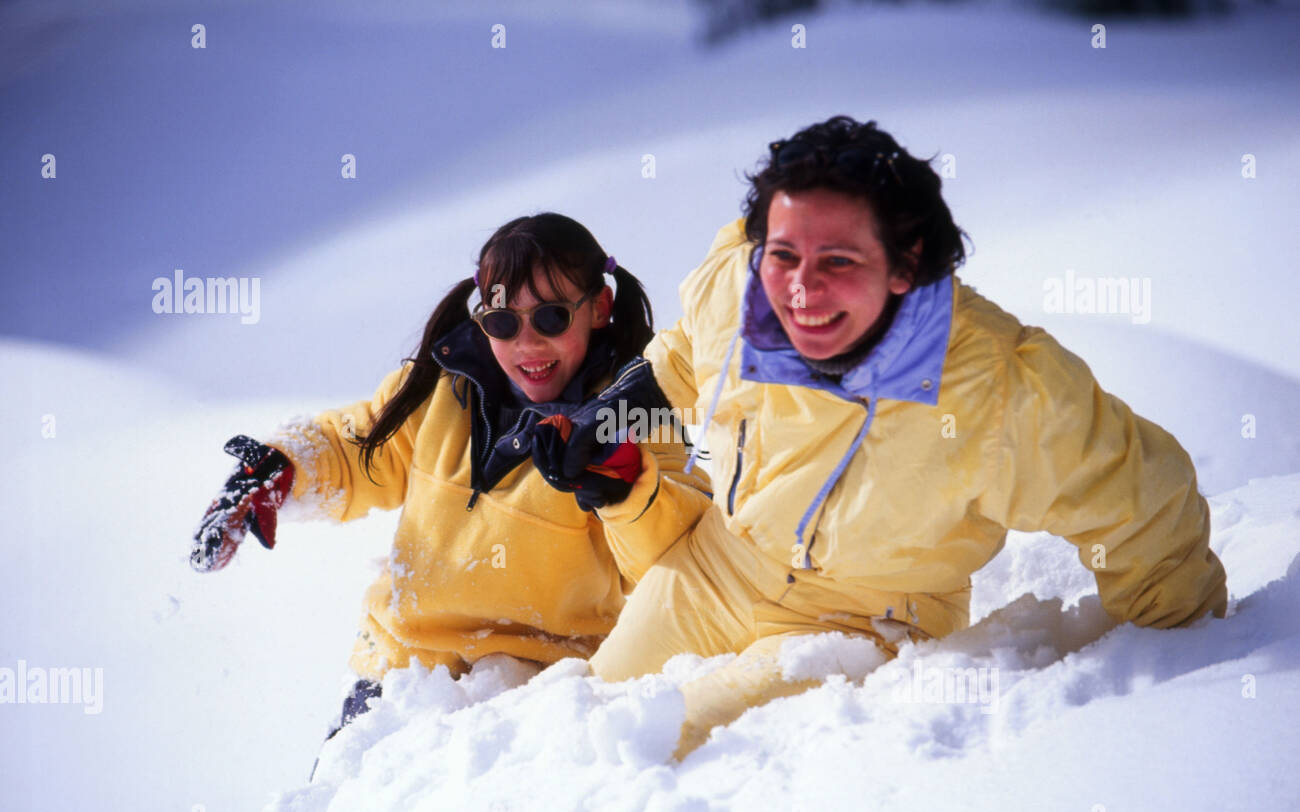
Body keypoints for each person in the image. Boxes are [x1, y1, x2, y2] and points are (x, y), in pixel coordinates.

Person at [590, 116, 1228, 757]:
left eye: (839, 260)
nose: (801, 289)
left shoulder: (1001, 389)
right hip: (722, 565)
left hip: (870, 616)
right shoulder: (737, 280)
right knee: (597, 709)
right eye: (783, 254)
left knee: (674, 744)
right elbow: (687, 355)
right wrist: (616, 413)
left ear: (906, 262)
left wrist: (1182, 660)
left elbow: (1144, 505)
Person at [189, 213, 712, 764]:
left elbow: (673, 560)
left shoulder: (627, 421)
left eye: (552, 317)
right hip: (400, 674)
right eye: (504, 322)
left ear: (599, 307)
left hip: (539, 690)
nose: (527, 343)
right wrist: (284, 464)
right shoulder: (443, 388)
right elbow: (360, 442)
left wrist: (623, 488)